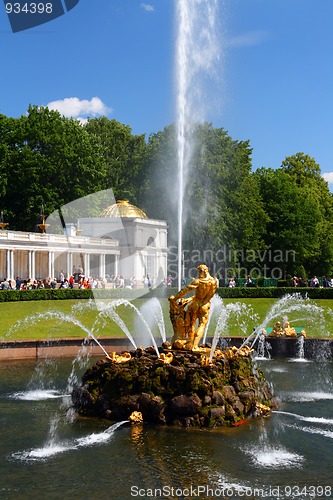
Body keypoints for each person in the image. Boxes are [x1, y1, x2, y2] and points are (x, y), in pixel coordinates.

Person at [169, 264, 217, 350]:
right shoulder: (213, 282)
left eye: (199, 272)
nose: (198, 274)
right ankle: (194, 345)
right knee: (202, 325)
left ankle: (190, 343)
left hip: (196, 304)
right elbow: (210, 296)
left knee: (191, 324)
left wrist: (175, 298)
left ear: (203, 271)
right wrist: (190, 299)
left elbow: (185, 290)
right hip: (205, 305)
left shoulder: (198, 281)